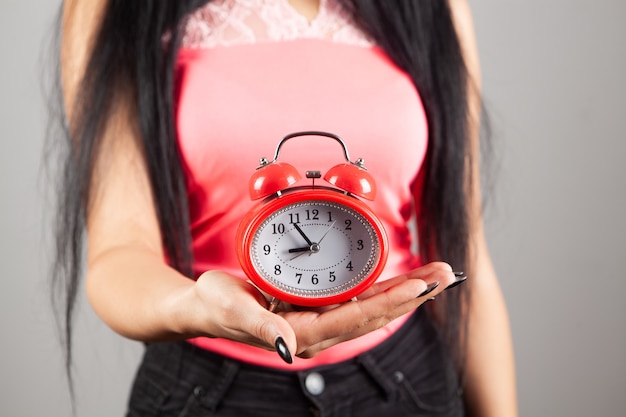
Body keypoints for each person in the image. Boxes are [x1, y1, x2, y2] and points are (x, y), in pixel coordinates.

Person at [53, 0, 517, 415]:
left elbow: (466, 250)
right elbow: (118, 254)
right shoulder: (110, 7)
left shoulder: (436, 7)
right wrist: (197, 305)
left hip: (406, 382)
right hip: (208, 391)